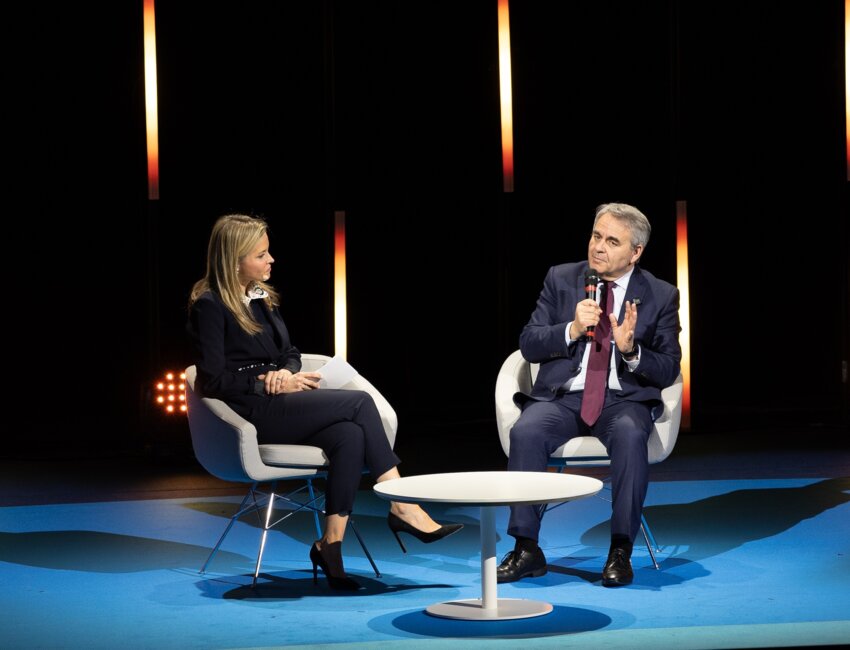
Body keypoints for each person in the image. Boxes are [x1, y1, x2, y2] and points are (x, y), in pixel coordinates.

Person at [186, 213, 462, 591]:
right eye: (261, 255)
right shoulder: (210, 305)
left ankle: (329, 546)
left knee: (349, 435)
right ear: (234, 260)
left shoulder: (262, 298)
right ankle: (402, 505)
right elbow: (212, 381)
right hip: (250, 412)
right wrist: (267, 383)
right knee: (359, 403)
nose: (271, 261)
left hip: (281, 398)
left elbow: (291, 352)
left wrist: (286, 371)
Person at [497, 202, 681, 587]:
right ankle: (526, 547)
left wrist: (631, 350)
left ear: (635, 252)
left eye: (612, 241)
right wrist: (571, 329)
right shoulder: (561, 278)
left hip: (623, 401)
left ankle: (620, 549)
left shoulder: (661, 295)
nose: (598, 247)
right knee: (526, 431)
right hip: (563, 398)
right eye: (596, 236)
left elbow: (668, 368)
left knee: (632, 435)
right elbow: (528, 344)